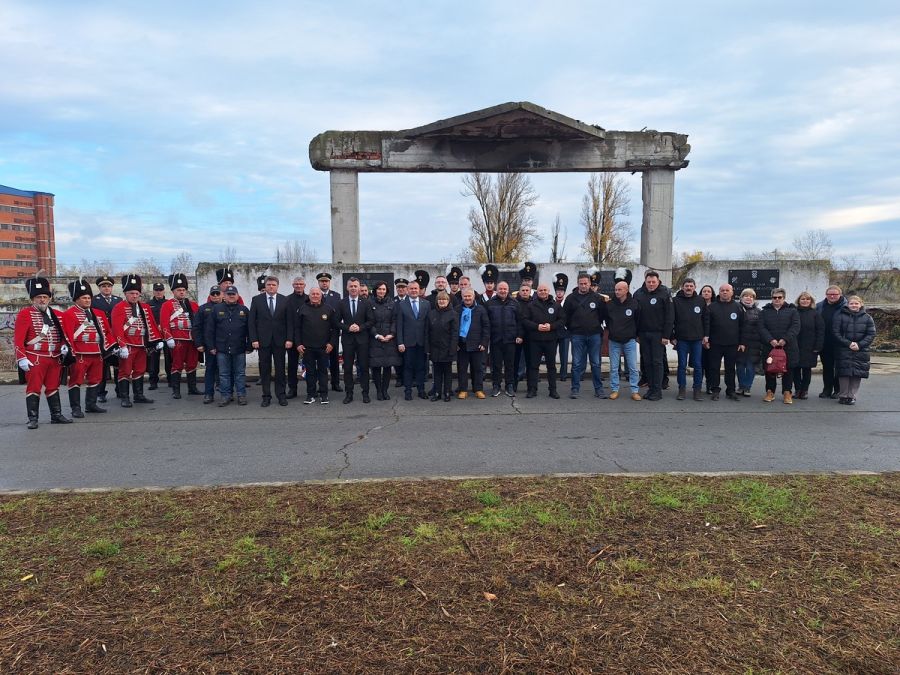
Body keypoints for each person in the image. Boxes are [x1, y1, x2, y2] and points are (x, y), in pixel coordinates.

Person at [15, 276, 72, 428]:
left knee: (53, 386)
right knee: (34, 387)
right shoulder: (25, 314)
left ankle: (56, 415)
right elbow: (19, 339)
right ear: (33, 299)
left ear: (49, 298)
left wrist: (65, 346)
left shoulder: (58, 315)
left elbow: (63, 335)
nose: (42, 300)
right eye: (39, 297)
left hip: (54, 357)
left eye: (45, 297)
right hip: (35, 357)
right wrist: (21, 357)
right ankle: (33, 418)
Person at [110, 274, 165, 407]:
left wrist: (157, 339)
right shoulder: (119, 307)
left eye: (137, 293)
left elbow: (151, 324)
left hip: (141, 345)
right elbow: (117, 328)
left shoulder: (145, 307)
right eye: (131, 293)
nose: (134, 296)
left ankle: (138, 395)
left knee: (140, 370)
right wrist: (121, 345)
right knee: (125, 371)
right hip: (128, 345)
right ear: (125, 293)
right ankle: (124, 397)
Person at [61, 278, 112, 417]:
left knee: (95, 379)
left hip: (97, 352)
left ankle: (91, 404)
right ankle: (76, 408)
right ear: (76, 299)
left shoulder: (99, 313)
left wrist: (112, 347)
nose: (87, 300)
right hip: (80, 353)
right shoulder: (69, 314)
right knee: (76, 380)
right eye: (84, 298)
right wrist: (71, 352)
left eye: (89, 297)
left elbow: (107, 332)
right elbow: (67, 334)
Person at [248, 275, 293, 407]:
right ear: (265, 286)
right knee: (265, 370)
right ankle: (266, 396)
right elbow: (252, 322)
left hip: (280, 341)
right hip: (263, 341)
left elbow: (289, 321)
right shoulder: (257, 300)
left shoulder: (285, 300)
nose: (271, 287)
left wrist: (289, 339)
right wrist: (254, 339)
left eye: (273, 285)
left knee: (280, 370)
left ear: (277, 286)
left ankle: (281, 396)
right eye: (269, 285)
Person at [563, 272, 607, 399]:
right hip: (577, 335)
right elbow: (565, 316)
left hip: (594, 335)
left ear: (590, 284)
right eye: (581, 283)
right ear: (577, 284)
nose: (583, 286)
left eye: (585, 283)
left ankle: (599, 390)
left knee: (596, 363)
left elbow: (602, 315)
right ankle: (575, 389)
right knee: (576, 364)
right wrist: (572, 329)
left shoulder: (597, 298)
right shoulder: (571, 298)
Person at [206, 286, 251, 406]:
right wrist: (211, 346)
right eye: (228, 294)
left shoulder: (244, 310)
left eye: (233, 294)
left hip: (239, 347)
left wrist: (249, 345)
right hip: (222, 348)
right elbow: (210, 330)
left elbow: (249, 329)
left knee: (240, 373)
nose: (231, 296)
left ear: (237, 296)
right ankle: (226, 396)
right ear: (224, 296)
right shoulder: (216, 309)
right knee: (224, 374)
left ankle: (241, 395)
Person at [294, 287, 340, 405]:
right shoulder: (302, 309)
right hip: (307, 347)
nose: (315, 296)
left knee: (323, 372)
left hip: (324, 347)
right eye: (313, 294)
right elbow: (297, 328)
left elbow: (335, 329)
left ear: (321, 296)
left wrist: (331, 343)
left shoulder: (329, 309)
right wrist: (298, 344)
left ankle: (324, 395)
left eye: (317, 294)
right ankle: (310, 395)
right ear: (309, 296)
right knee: (310, 372)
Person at [159, 273, 201, 399]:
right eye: (179, 290)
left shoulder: (193, 305)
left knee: (192, 363)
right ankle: (176, 390)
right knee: (177, 364)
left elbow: (198, 322)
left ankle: (192, 388)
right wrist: (168, 337)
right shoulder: (167, 305)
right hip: (177, 339)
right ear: (173, 291)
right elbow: (164, 322)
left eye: (183, 290)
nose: (182, 292)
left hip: (191, 339)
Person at [633, 270, 673, 401]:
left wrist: (666, 335)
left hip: (658, 334)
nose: (651, 284)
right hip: (643, 334)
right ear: (645, 281)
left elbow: (669, 316)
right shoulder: (638, 293)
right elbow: (635, 316)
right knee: (647, 362)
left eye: (653, 282)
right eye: (648, 282)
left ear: (658, 281)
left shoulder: (665, 293)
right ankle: (651, 388)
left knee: (657, 362)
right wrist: (636, 334)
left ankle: (657, 390)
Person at [520, 282, 563, 398]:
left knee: (551, 366)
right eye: (540, 290)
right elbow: (524, 320)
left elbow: (562, 320)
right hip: (535, 340)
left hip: (551, 340)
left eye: (545, 290)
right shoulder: (531, 305)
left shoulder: (556, 305)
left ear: (548, 291)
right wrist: (536, 327)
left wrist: (551, 326)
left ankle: (553, 390)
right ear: (537, 292)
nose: (543, 292)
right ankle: (532, 389)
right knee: (533, 366)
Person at [759, 288, 800, 404]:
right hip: (770, 346)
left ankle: (787, 392)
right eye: (774, 297)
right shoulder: (764, 312)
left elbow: (795, 327)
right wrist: (770, 339)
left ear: (784, 298)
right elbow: (761, 327)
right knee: (770, 370)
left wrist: (785, 339)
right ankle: (770, 392)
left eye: (779, 297)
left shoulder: (792, 311)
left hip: (788, 346)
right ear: (771, 298)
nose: (777, 299)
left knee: (788, 369)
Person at [833, 295, 876, 405]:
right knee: (844, 373)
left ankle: (852, 396)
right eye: (851, 303)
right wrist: (848, 343)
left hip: (861, 350)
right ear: (848, 304)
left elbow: (871, 334)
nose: (854, 305)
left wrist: (859, 345)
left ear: (861, 304)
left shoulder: (867, 318)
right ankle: (843, 395)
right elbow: (835, 332)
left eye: (856, 303)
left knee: (857, 374)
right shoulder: (840, 316)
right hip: (844, 348)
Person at [704, 283, 744, 401]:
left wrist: (742, 342)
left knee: (730, 368)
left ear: (732, 292)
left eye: (727, 290)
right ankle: (715, 390)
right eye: (722, 290)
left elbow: (742, 326)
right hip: (715, 343)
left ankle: (730, 391)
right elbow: (707, 324)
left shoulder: (738, 307)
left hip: (732, 344)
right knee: (714, 368)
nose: (725, 292)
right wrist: (706, 338)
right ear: (719, 292)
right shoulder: (712, 307)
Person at [604, 280, 642, 401]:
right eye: (616, 289)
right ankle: (615, 390)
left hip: (629, 341)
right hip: (614, 341)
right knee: (614, 368)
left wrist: (635, 335)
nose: (617, 292)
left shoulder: (635, 304)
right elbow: (607, 320)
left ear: (626, 290)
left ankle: (634, 391)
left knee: (632, 368)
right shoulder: (610, 305)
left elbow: (638, 321)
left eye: (620, 289)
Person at [338, 277, 373, 404]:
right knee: (347, 368)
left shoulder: (366, 303)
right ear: (347, 288)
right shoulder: (341, 303)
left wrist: (360, 327)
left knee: (364, 367)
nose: (353, 288)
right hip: (347, 340)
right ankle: (349, 393)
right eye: (351, 286)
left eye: (355, 286)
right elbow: (336, 321)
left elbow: (370, 321)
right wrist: (348, 327)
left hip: (362, 339)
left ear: (359, 288)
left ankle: (365, 393)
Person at [671, 277, 707, 401]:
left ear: (695, 287)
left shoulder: (701, 300)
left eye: (691, 286)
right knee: (682, 365)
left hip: (697, 339)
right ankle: (682, 389)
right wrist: (672, 337)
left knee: (697, 365)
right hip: (681, 339)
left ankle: (697, 390)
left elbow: (705, 320)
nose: (689, 288)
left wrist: (706, 335)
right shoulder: (675, 301)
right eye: (686, 286)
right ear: (682, 287)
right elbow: (671, 320)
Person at [486, 281, 523, 397]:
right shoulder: (490, 303)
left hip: (510, 340)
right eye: (500, 289)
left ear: (508, 290)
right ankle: (496, 385)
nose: (503, 291)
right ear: (497, 290)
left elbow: (520, 322)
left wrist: (519, 335)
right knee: (496, 365)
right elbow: (486, 322)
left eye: (505, 289)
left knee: (510, 365)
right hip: (495, 339)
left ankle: (509, 386)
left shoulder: (515, 303)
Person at [396, 280, 430, 400]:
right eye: (411, 289)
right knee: (408, 367)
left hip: (421, 342)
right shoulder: (401, 305)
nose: (414, 291)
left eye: (416, 288)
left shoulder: (426, 304)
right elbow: (399, 325)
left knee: (421, 368)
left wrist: (428, 343)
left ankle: (421, 390)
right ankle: (408, 391)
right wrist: (400, 342)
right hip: (407, 343)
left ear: (419, 289)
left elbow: (428, 325)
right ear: (407, 290)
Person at [91, 274, 121, 403]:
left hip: (115, 336)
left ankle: (120, 390)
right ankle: (100, 393)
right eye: (104, 286)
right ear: (99, 288)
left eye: (109, 286)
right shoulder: (93, 300)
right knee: (102, 366)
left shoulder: (118, 300)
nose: (106, 288)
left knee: (118, 365)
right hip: (102, 336)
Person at [368, 281, 401, 400]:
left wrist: (391, 334)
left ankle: (385, 391)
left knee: (387, 367)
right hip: (375, 339)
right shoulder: (369, 303)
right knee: (376, 367)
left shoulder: (392, 303)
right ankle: (378, 391)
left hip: (389, 339)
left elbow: (395, 320)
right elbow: (368, 321)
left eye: (383, 289)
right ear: (375, 290)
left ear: (386, 291)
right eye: (379, 289)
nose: (381, 291)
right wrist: (376, 335)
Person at [457, 289, 490, 399]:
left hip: (477, 345)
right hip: (461, 344)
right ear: (462, 297)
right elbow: (453, 328)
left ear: (473, 297)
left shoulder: (481, 309)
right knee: (462, 368)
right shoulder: (457, 309)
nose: (467, 298)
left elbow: (486, 327)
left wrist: (484, 342)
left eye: (469, 296)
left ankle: (478, 389)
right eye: (465, 296)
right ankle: (463, 389)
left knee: (478, 369)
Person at [194, 285, 223, 404]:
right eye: (213, 294)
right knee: (210, 369)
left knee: (226, 371)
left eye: (217, 293)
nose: (215, 296)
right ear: (210, 295)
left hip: (224, 344)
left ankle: (226, 393)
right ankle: (208, 394)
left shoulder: (227, 307)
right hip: (209, 344)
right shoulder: (203, 309)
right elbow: (197, 327)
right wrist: (199, 343)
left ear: (222, 294)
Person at [793, 291, 824, 400]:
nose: (805, 301)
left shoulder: (815, 314)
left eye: (807, 299)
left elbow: (820, 331)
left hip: (810, 347)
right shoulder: (794, 312)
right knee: (795, 369)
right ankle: (797, 390)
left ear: (811, 301)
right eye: (803, 299)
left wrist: (818, 346)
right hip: (795, 345)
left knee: (806, 370)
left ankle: (804, 390)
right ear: (799, 301)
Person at [816, 285, 847, 399]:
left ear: (840, 295)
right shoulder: (819, 306)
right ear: (826, 295)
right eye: (830, 294)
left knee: (838, 367)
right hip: (825, 342)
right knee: (827, 367)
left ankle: (838, 390)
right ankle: (827, 389)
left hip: (840, 342)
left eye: (835, 294)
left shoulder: (846, 307)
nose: (832, 296)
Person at [427, 291, 458, 401]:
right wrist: (428, 348)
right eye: (440, 299)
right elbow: (427, 332)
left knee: (448, 373)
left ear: (448, 301)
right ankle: (437, 393)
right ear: (437, 301)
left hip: (447, 348)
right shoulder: (431, 314)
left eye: (444, 299)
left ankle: (447, 392)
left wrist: (452, 348)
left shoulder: (453, 314)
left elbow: (455, 333)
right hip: (435, 348)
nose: (442, 301)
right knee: (437, 373)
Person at [317, 272, 343, 392]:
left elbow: (338, 315)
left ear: (329, 282)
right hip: (319, 333)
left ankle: (335, 383)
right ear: (318, 283)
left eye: (326, 281)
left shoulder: (336, 296)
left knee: (334, 359)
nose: (324, 283)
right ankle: (322, 385)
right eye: (322, 281)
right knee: (321, 361)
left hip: (333, 332)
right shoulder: (315, 295)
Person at [285, 276, 309, 399]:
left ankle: (311, 390)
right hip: (293, 338)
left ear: (305, 285)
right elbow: (287, 321)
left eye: (301, 284)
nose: (299, 286)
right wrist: (289, 338)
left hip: (308, 338)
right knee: (292, 365)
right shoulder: (287, 300)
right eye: (296, 284)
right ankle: (292, 389)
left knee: (310, 365)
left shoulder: (309, 299)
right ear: (293, 285)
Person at [736, 289, 762, 397]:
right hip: (739, 343)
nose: (748, 298)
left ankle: (747, 387)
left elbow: (761, 328)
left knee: (750, 366)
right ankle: (741, 385)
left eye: (751, 296)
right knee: (740, 366)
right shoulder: (736, 309)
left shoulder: (759, 312)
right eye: (745, 296)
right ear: (741, 298)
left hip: (753, 344)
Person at [147, 282, 170, 390]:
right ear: (153, 291)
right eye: (156, 290)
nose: (158, 292)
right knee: (153, 359)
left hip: (166, 334)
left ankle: (171, 379)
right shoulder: (148, 304)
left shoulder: (168, 303)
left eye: (160, 290)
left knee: (169, 357)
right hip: (154, 335)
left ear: (164, 291)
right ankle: (153, 381)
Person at [514, 283, 533, 387]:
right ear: (519, 292)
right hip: (517, 337)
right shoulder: (515, 303)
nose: (525, 292)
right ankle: (514, 385)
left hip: (531, 337)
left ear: (530, 292)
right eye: (523, 290)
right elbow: (515, 321)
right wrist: (518, 335)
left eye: (527, 290)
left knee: (530, 363)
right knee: (515, 362)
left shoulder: (534, 303)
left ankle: (530, 387)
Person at [699, 284, 716, 393]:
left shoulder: (715, 306)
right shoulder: (696, 304)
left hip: (712, 339)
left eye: (708, 291)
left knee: (710, 364)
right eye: (704, 291)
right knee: (699, 363)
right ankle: (698, 385)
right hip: (698, 338)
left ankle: (710, 385)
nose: (706, 293)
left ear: (712, 294)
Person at [554, 274, 570, 382]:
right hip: (553, 332)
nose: (559, 292)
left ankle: (563, 374)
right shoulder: (551, 302)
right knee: (552, 353)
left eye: (561, 291)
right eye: (558, 291)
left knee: (564, 355)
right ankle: (552, 372)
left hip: (565, 332)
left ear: (564, 292)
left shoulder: (568, 302)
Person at [392, 278, 409, 386]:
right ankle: (399, 378)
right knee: (397, 357)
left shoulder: (410, 300)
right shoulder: (392, 301)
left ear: (406, 288)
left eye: (403, 287)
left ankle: (409, 378)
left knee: (408, 358)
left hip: (408, 333)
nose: (401, 289)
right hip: (396, 332)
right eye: (399, 287)